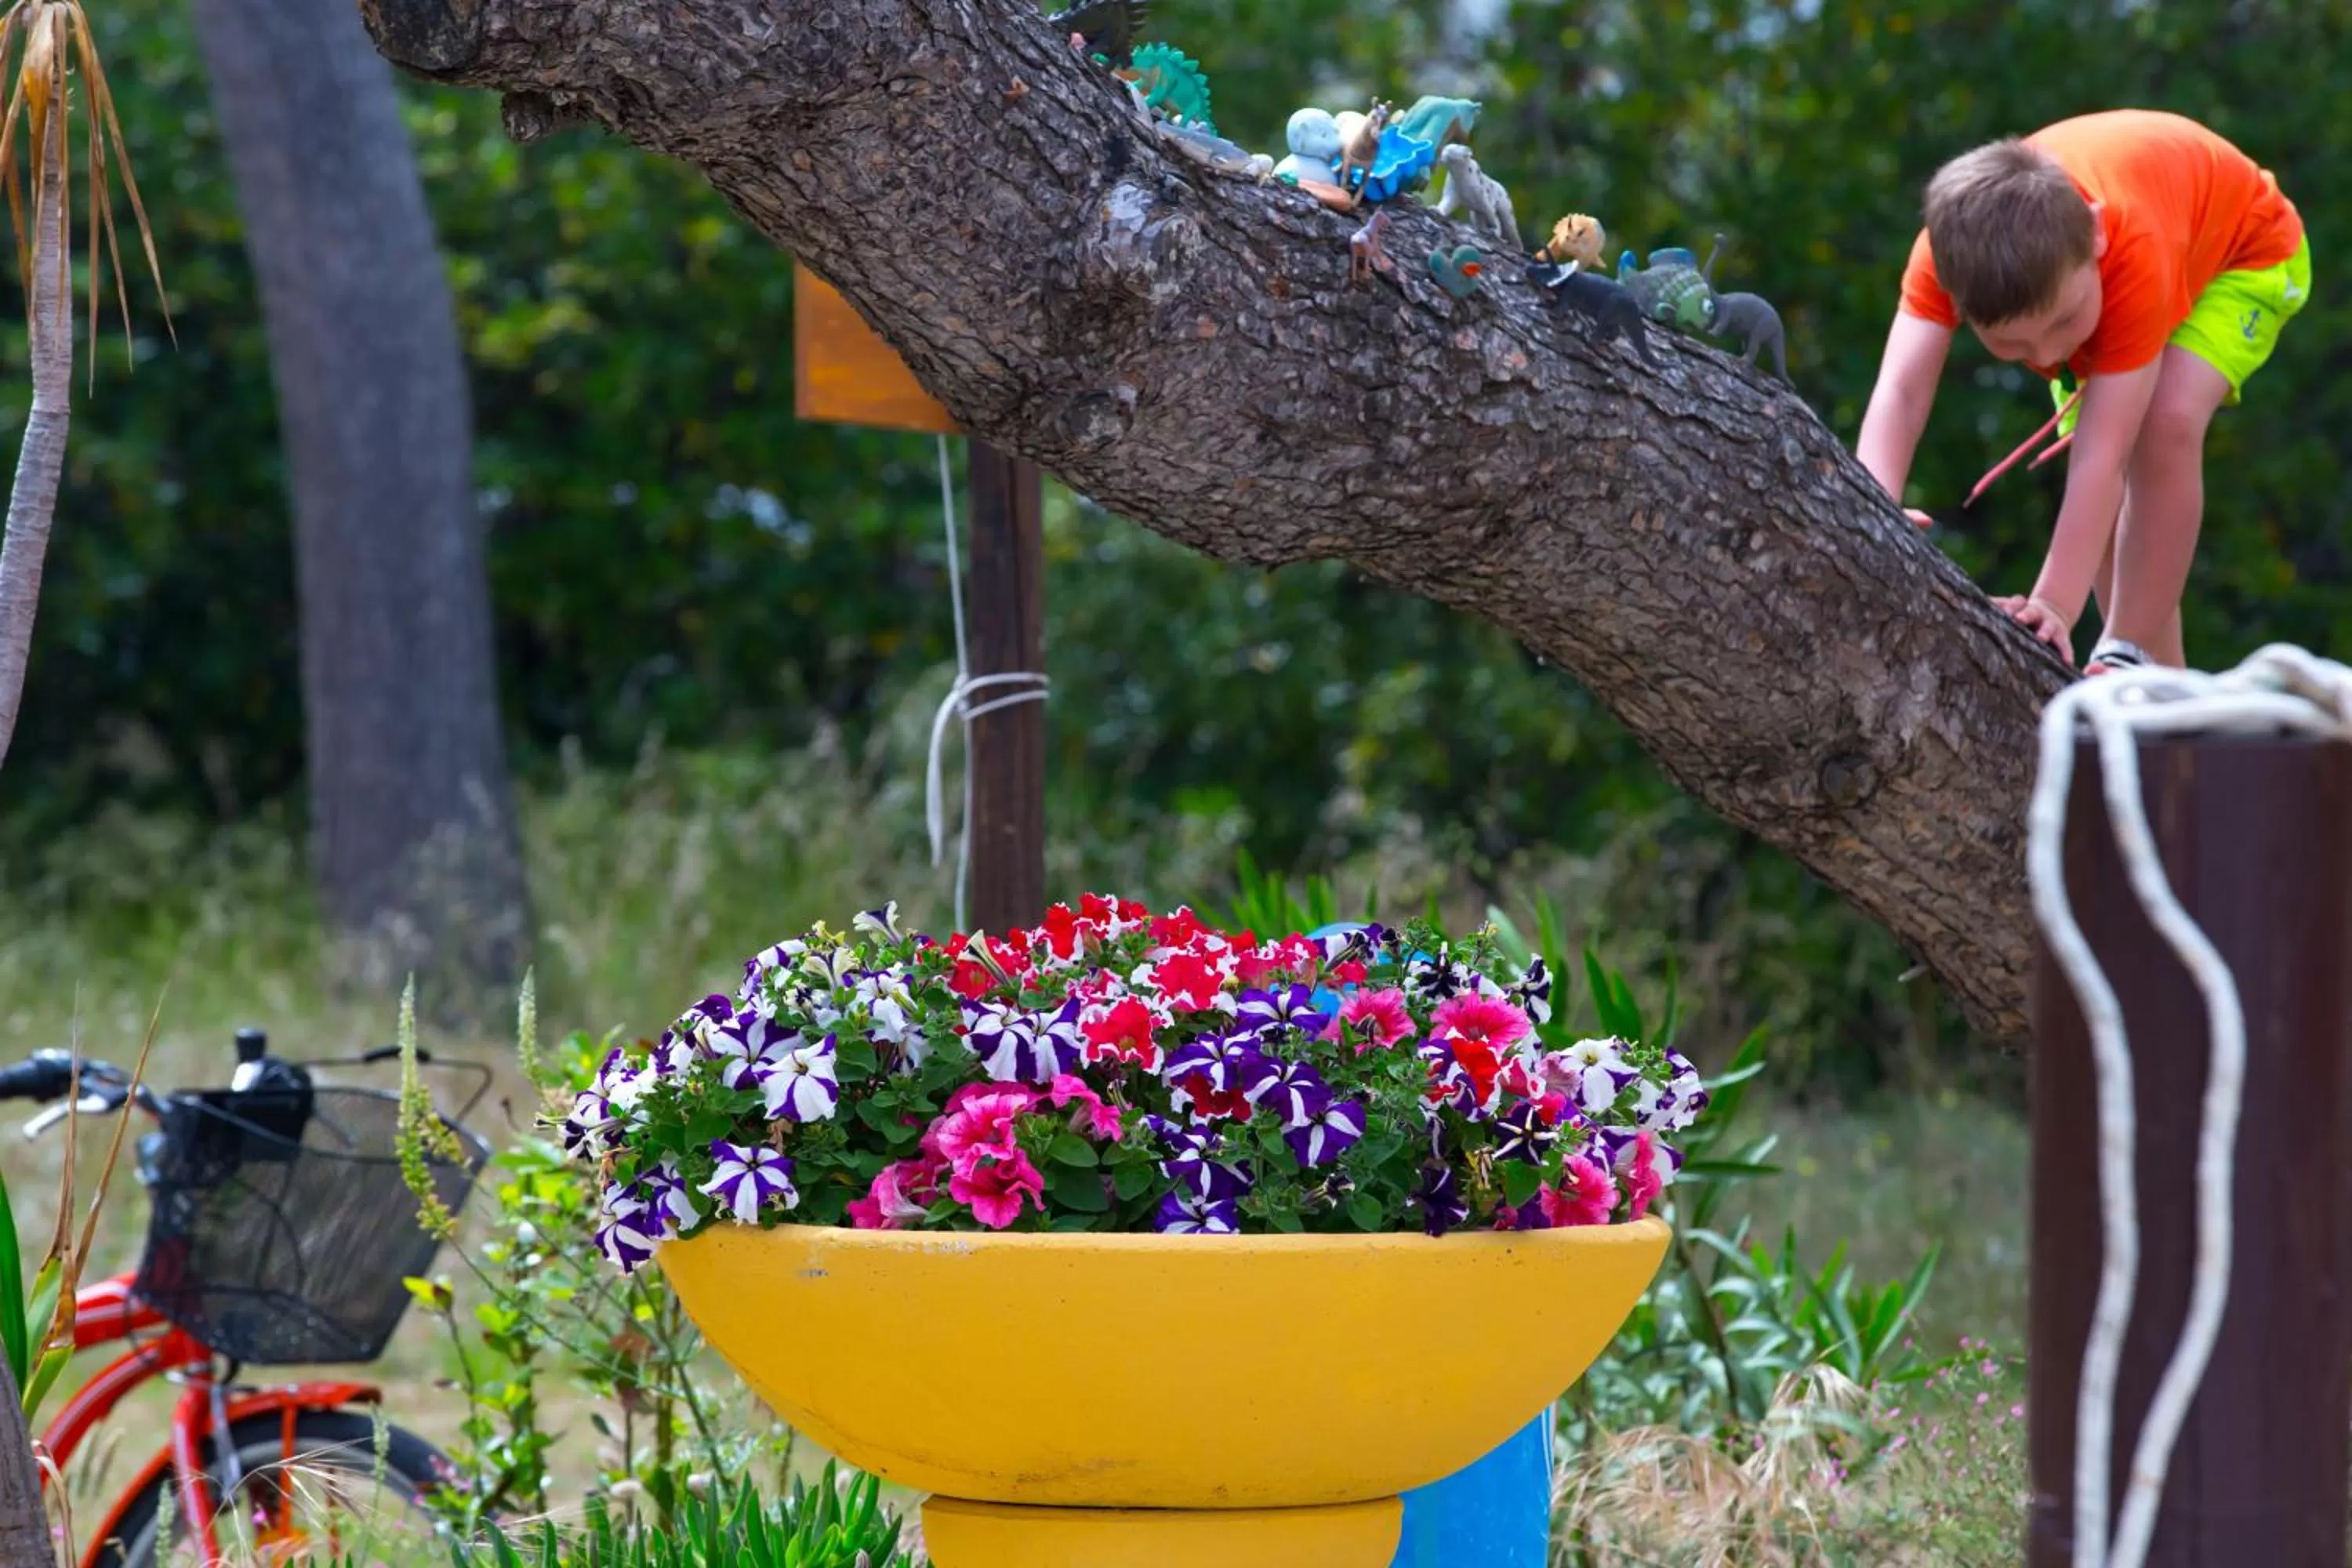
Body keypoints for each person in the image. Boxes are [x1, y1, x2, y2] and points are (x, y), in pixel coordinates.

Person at [1853, 109, 2310, 673]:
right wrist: (1868, 506)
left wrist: (2051, 605)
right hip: (2143, 264)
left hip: (2246, 254)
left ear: (2094, 234)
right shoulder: (1945, 254)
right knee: (2111, 524)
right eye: (2013, 347)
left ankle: (2128, 650)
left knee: (2162, 425)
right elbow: (1900, 390)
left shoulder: (2130, 247)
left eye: (2063, 324)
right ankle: (2168, 695)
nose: (2048, 357)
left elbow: (2103, 458)